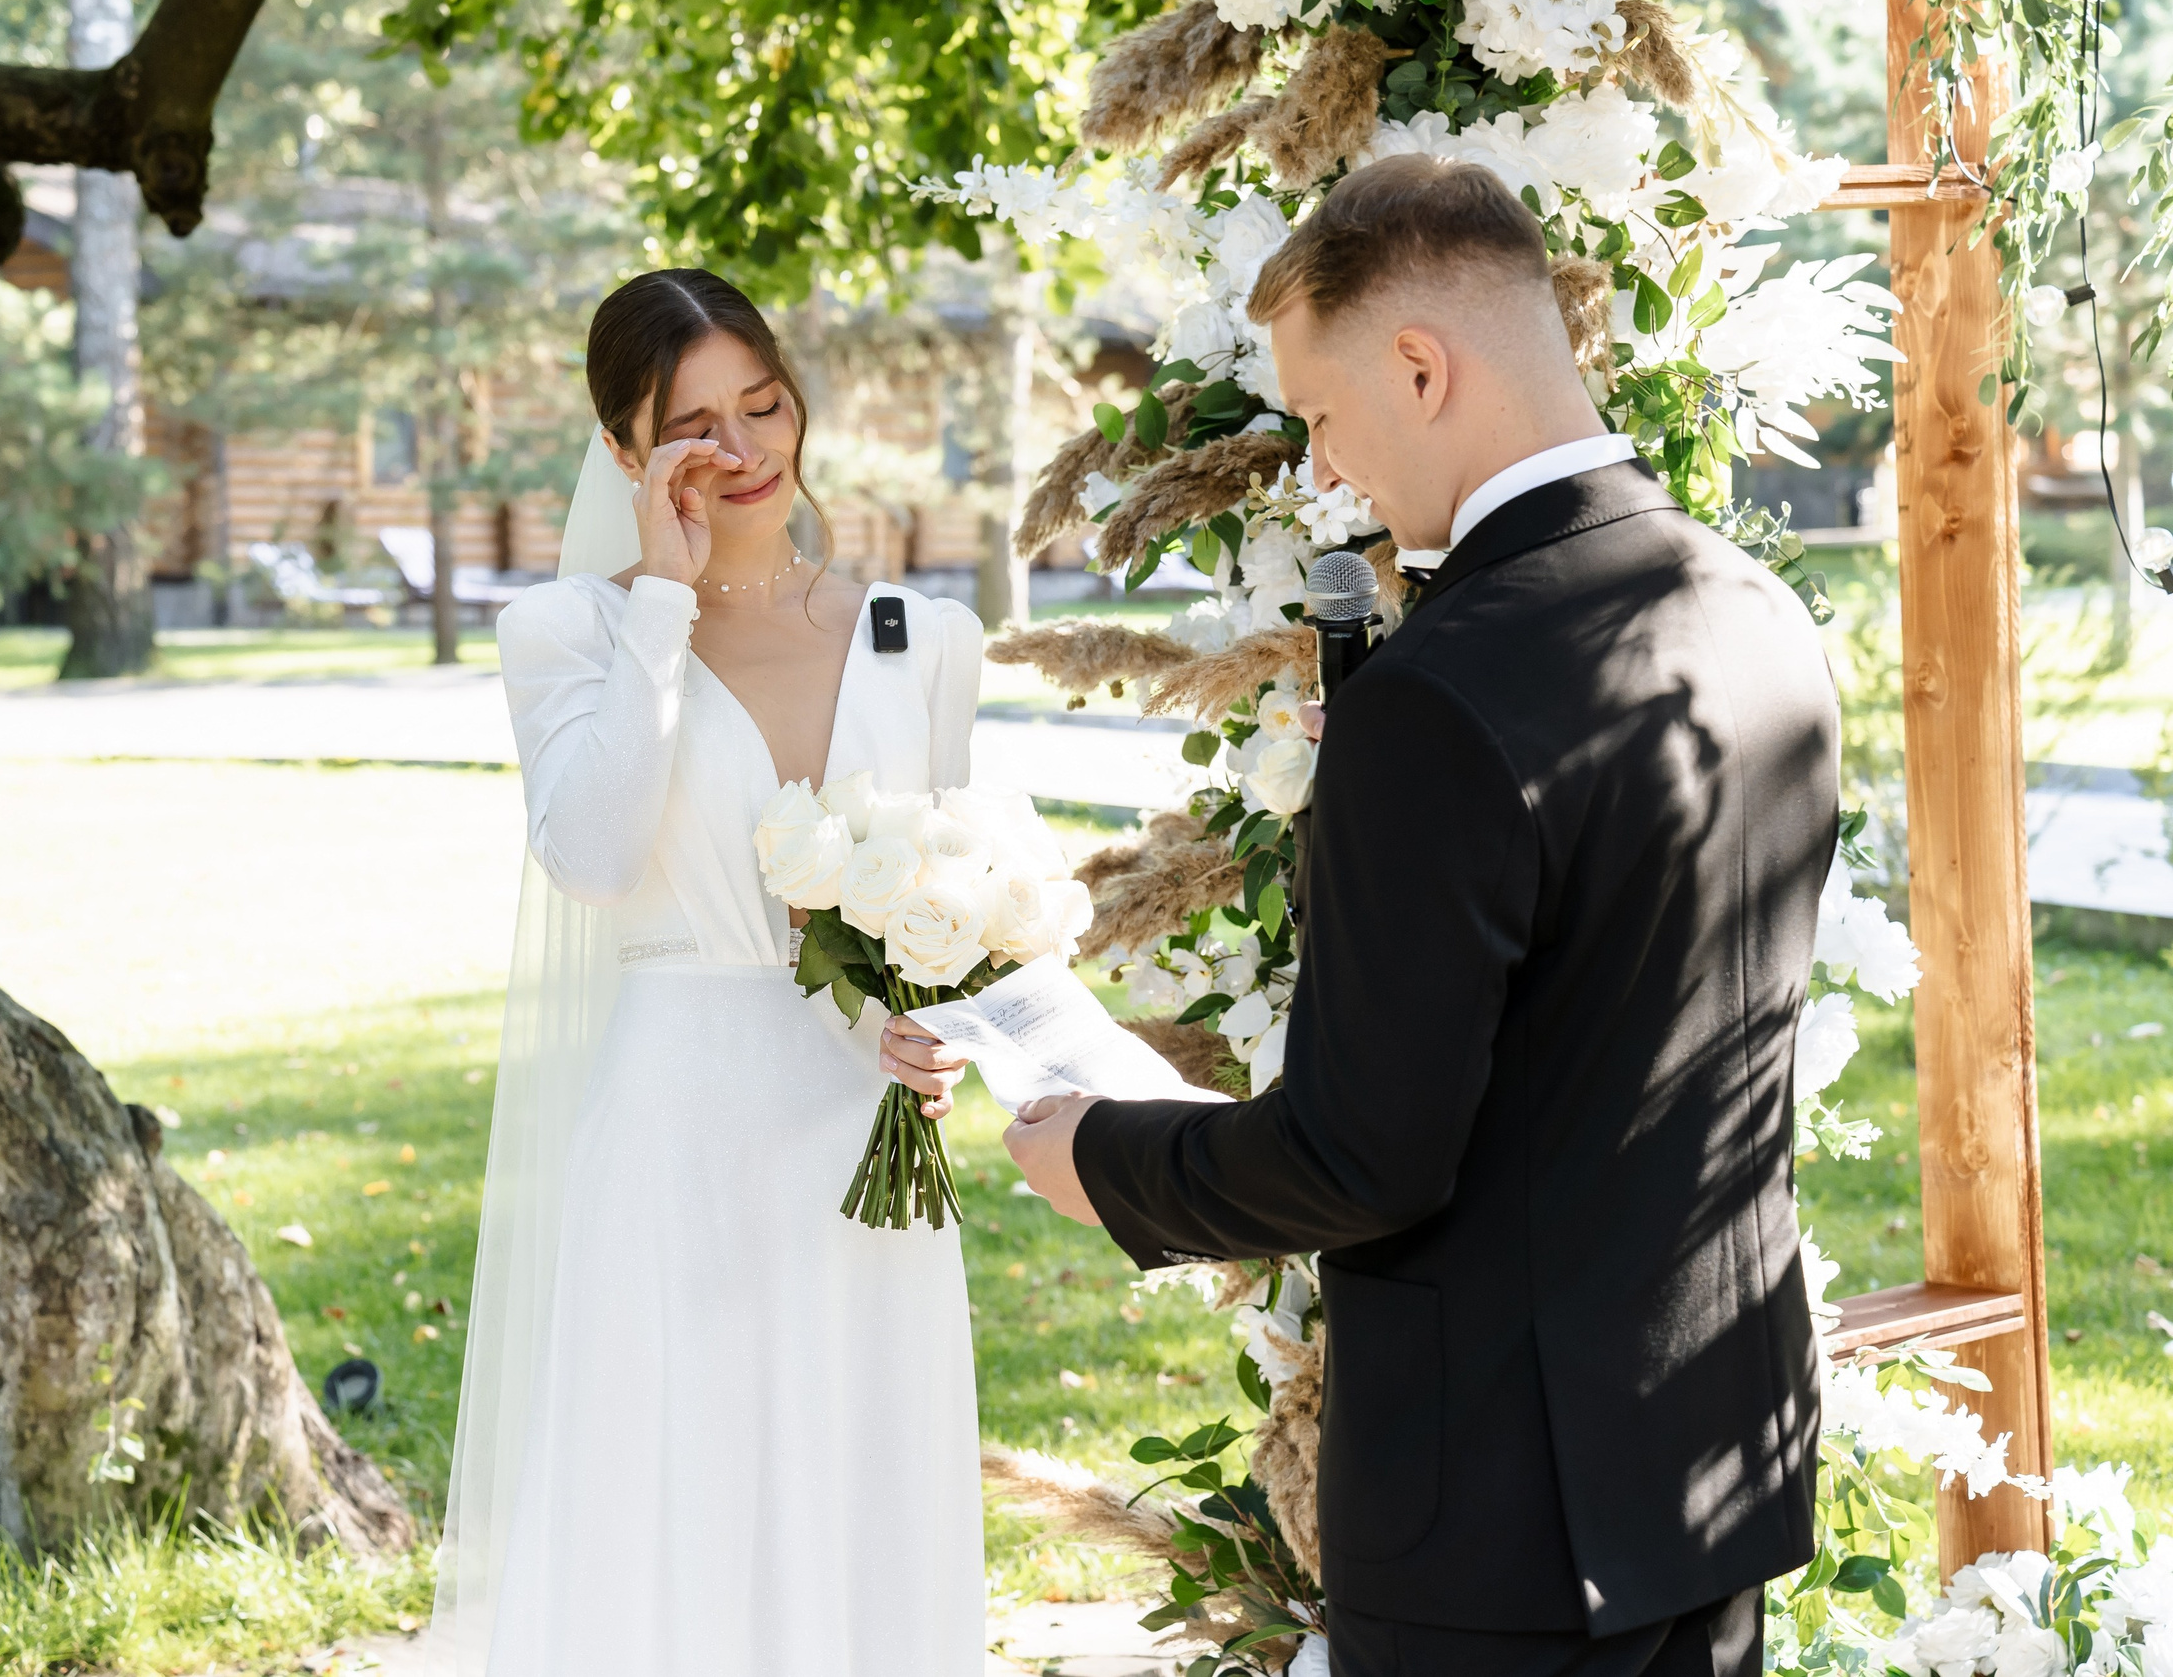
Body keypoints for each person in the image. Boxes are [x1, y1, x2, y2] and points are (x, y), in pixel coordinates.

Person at [985, 155, 1839, 1676]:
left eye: (1320, 415)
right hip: (1711, 1469)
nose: (1327, 471)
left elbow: (1361, 1158)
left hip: (1501, 1529)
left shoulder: (1443, 693)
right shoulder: (1752, 610)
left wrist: (1102, 1161)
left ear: (1422, 366)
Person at [436, 268, 987, 1676]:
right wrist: (663, 611)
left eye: (765, 403)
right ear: (626, 455)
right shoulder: (565, 636)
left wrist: (943, 1024)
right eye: (693, 427)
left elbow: (952, 902)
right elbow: (598, 857)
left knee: (862, 1481)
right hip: (675, 1127)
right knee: (675, 1491)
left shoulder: (921, 641)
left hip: (863, 1136)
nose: (744, 453)